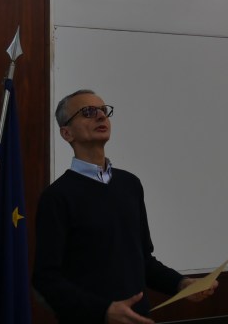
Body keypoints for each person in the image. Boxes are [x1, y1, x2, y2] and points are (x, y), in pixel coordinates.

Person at [33, 89, 218, 324]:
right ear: (66, 133)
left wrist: (181, 283)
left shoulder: (130, 184)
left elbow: (143, 261)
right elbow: (46, 279)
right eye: (88, 112)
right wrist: (103, 311)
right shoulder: (57, 196)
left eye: (103, 110)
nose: (101, 116)